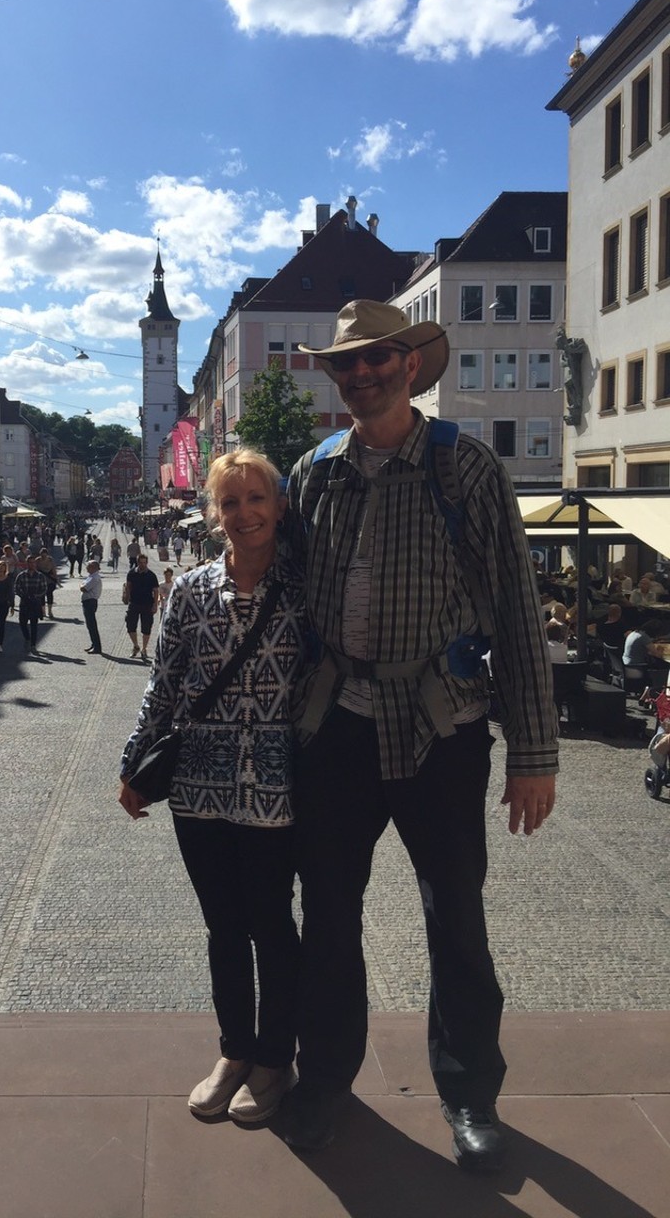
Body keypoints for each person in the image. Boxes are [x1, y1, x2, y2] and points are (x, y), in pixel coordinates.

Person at [282, 300, 558, 1169]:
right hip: (337, 728)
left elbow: (515, 604)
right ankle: (325, 1075)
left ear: (410, 363)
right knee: (326, 916)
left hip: (441, 729)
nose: (360, 374)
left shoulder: (465, 467)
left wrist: (534, 752)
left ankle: (471, 1095)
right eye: (346, 364)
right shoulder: (315, 470)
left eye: (377, 359)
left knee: (457, 920)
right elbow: (287, 605)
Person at [119, 450, 308, 1124]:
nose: (245, 513)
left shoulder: (306, 588)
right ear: (213, 513)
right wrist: (134, 763)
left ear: (279, 506)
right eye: (230, 502)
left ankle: (275, 1056)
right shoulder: (193, 590)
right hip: (198, 784)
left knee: (270, 923)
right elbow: (164, 685)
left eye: (256, 498)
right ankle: (234, 1050)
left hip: (275, 783)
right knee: (222, 925)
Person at [123, 554, 159, 662]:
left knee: (146, 627)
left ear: (147, 563)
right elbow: (128, 586)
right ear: (138, 562)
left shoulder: (151, 575)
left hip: (147, 604)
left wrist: (155, 605)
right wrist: (126, 596)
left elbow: (156, 591)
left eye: (145, 563)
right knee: (130, 625)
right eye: (141, 562)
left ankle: (144, 649)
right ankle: (136, 646)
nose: (143, 565)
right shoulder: (132, 573)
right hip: (134, 603)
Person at [14, 555, 48, 654]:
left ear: (35, 564)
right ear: (26, 563)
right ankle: (27, 638)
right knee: (22, 623)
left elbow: (44, 589)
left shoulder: (40, 576)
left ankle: (33, 645)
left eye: (33, 562)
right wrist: (23, 595)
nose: (31, 564)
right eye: (29, 562)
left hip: (35, 603)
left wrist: (36, 596)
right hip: (24, 602)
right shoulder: (21, 575)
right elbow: (16, 587)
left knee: (34, 625)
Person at [80, 560, 103, 654]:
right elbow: (83, 585)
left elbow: (84, 588)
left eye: (88, 566)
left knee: (92, 625)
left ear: (94, 567)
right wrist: (82, 584)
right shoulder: (91, 576)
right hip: (87, 602)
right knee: (89, 625)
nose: (87, 568)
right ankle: (93, 644)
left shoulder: (95, 578)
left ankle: (97, 647)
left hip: (90, 602)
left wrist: (81, 585)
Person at [35, 547, 58, 618]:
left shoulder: (50, 560)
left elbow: (54, 569)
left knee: (49, 595)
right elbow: (35, 569)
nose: (43, 556)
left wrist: (55, 578)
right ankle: (43, 611)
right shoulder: (37, 560)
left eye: (45, 555)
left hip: (50, 580)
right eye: (42, 555)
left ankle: (50, 611)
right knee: (41, 596)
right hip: (40, 580)